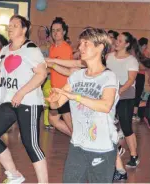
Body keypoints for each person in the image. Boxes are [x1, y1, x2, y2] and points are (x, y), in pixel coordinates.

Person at [0, 15, 48, 183]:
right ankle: (14, 174)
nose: (10, 28)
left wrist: (22, 92)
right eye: (9, 25)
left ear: (24, 29)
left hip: (28, 102)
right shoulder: (4, 50)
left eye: (14, 25)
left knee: (30, 144)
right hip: (8, 102)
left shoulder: (31, 49)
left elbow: (41, 74)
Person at [47, 27, 119, 183]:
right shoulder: (77, 76)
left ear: (100, 47)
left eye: (86, 43)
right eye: (80, 44)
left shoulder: (109, 77)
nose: (80, 48)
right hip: (77, 145)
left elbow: (105, 106)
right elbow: (56, 105)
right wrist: (52, 99)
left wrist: (76, 96)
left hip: (103, 148)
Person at [106, 32, 140, 168]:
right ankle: (116, 149)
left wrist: (119, 91)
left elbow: (131, 79)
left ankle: (134, 156)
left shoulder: (131, 60)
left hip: (125, 95)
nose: (116, 42)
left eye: (120, 41)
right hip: (110, 93)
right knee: (107, 124)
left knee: (126, 127)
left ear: (126, 44)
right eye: (117, 40)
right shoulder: (109, 57)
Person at [46, 17, 73, 136]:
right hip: (55, 89)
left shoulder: (66, 48)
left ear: (64, 32)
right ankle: (78, 139)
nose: (55, 33)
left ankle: (83, 142)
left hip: (64, 90)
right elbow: (51, 68)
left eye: (58, 30)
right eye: (53, 30)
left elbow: (67, 69)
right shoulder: (52, 48)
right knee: (53, 119)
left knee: (70, 122)